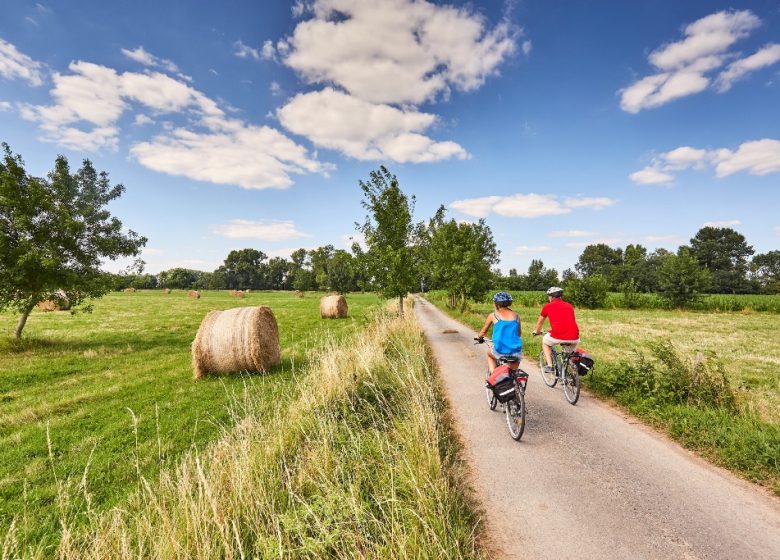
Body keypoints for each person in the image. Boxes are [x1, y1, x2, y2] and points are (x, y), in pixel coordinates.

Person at [533, 286, 579, 373]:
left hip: (558, 335)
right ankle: (573, 375)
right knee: (568, 356)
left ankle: (550, 366)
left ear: (552, 296)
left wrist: (537, 331)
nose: (548, 298)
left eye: (549, 296)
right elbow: (567, 322)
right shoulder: (569, 305)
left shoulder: (547, 306)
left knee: (545, 342)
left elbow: (540, 322)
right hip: (575, 336)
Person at [477, 291, 522, 373]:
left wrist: (479, 337)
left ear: (496, 304)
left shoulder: (493, 315)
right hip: (516, 352)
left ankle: (493, 378)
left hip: (499, 350)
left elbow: (484, 330)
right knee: (512, 371)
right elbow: (519, 334)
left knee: (489, 354)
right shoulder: (516, 315)